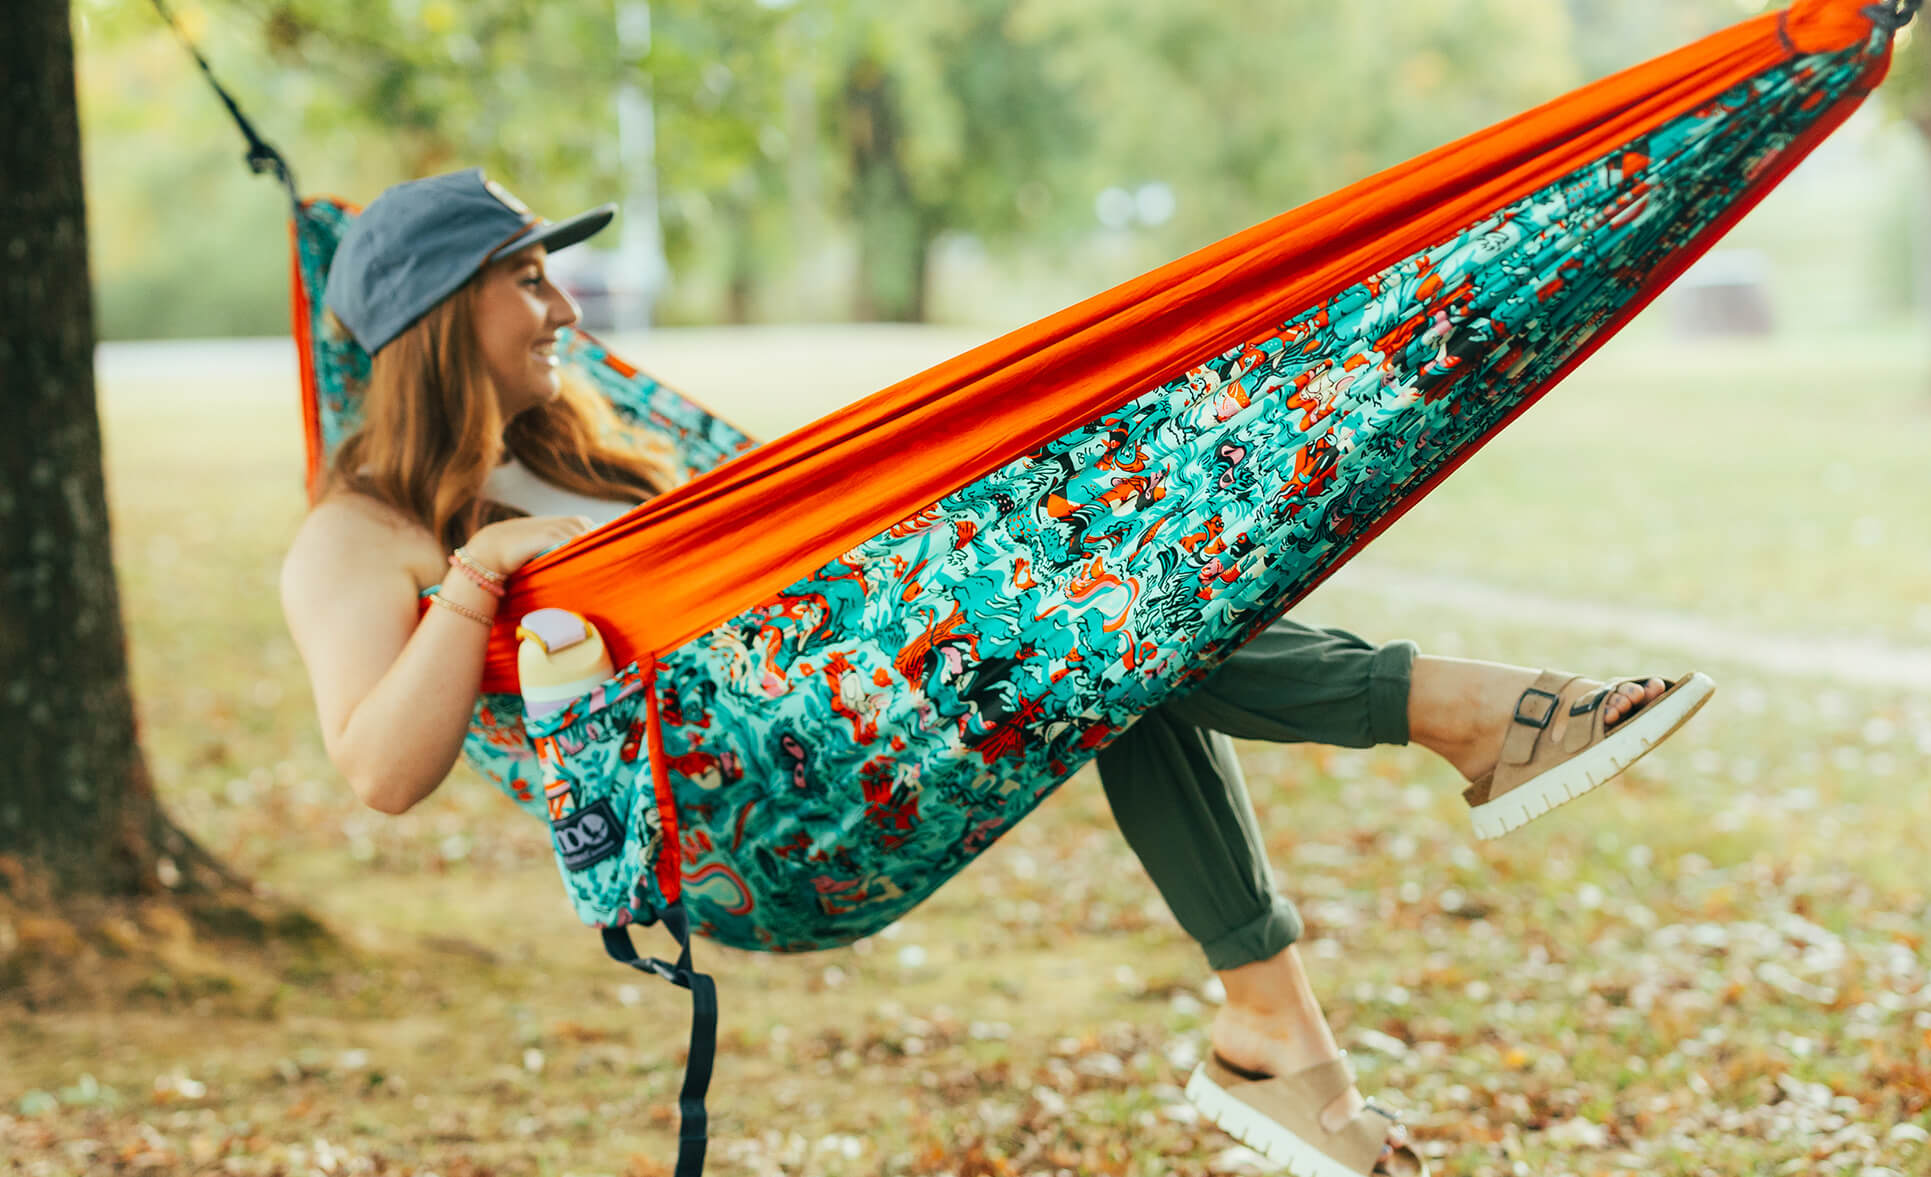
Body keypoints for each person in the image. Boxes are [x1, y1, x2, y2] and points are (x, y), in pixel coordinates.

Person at [281, 170, 1713, 1177]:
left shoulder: (581, 444)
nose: (564, 307)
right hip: (757, 821)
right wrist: (481, 578)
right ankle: (1458, 715)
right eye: (527, 277)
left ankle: (1278, 1032)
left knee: (1105, 632)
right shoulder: (360, 540)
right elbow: (378, 770)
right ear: (435, 314)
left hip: (856, 698)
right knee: (1080, 625)